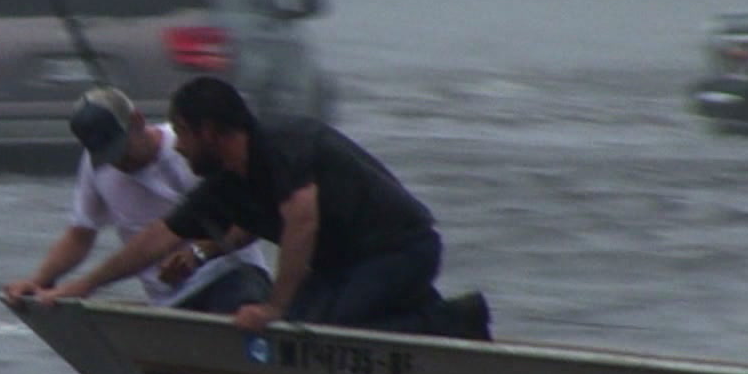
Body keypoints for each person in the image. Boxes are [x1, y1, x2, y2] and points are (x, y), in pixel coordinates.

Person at [36, 76, 489, 339]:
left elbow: (301, 222)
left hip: (401, 250)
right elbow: (159, 237)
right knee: (289, 335)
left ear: (208, 131)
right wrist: (85, 285)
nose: (179, 147)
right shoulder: (226, 184)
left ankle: (453, 320)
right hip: (343, 267)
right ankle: (415, 310)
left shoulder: (281, 146)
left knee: (321, 335)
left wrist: (273, 305)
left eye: (183, 133)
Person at [4, 86, 271, 313]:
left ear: (138, 121)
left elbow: (249, 222)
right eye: (108, 156)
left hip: (230, 275)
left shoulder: (191, 151)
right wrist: (40, 280)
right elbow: (80, 235)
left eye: (121, 149)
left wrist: (198, 253)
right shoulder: (96, 166)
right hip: (169, 300)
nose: (118, 162)